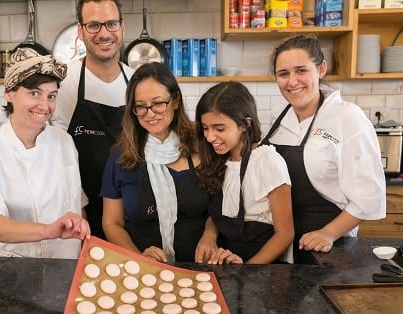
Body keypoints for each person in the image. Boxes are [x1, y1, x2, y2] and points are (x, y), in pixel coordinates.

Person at [261, 35, 385, 262]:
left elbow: (369, 195)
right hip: (279, 239)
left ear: (321, 69)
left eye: (301, 70)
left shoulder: (346, 117)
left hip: (327, 246)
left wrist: (329, 233)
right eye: (283, 74)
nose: (292, 81)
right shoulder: (279, 117)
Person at [0, 47, 90, 258]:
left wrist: (84, 245)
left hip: (66, 262)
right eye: (34, 93)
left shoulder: (64, 141)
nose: (44, 106)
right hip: (15, 268)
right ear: (9, 94)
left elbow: (76, 202)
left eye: (51, 96)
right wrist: (47, 231)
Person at [100, 62, 216, 263]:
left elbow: (223, 207)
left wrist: (210, 235)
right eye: (140, 106)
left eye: (158, 103)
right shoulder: (121, 156)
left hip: (201, 267)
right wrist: (139, 258)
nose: (150, 113)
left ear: (175, 101)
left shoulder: (203, 145)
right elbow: (112, 223)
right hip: (143, 271)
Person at [51, 0, 134, 240]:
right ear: (81, 31)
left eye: (111, 24)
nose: (104, 33)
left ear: (122, 27)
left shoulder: (137, 82)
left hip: (131, 213)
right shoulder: (62, 83)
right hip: (78, 214)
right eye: (94, 25)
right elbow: (50, 155)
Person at [195, 81, 295, 264]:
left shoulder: (267, 161)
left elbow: (285, 233)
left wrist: (247, 270)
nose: (209, 137)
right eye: (205, 128)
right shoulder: (219, 160)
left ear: (244, 124)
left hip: (261, 266)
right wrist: (208, 236)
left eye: (219, 128)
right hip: (226, 262)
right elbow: (219, 214)